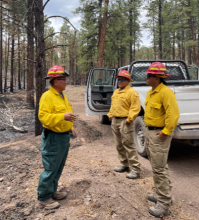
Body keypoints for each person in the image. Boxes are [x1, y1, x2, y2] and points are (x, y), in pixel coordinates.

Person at [37, 66, 77, 210]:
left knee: (58, 166)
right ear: (55, 81)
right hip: (53, 137)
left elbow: (68, 113)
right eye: (63, 79)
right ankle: (44, 197)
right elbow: (44, 117)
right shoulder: (47, 96)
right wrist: (62, 116)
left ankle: (52, 191)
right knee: (51, 167)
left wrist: (70, 127)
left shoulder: (61, 95)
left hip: (63, 137)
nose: (66, 82)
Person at [144, 62, 180, 217]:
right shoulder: (151, 92)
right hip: (150, 133)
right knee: (159, 167)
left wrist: (165, 132)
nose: (146, 77)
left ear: (157, 78)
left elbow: (173, 115)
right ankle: (162, 194)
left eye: (148, 75)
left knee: (159, 169)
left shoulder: (166, 92)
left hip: (159, 135)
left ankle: (164, 204)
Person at [107, 70, 141, 179]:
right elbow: (113, 105)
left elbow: (135, 108)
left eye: (122, 79)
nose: (119, 81)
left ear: (127, 81)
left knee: (129, 145)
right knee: (119, 144)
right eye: (118, 79)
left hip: (125, 121)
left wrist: (129, 119)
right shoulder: (116, 92)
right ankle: (124, 164)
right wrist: (110, 114)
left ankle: (135, 169)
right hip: (115, 121)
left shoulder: (132, 92)